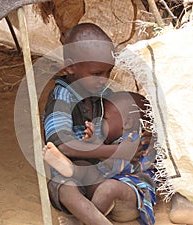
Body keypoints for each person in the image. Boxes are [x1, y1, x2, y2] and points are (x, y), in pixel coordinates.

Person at [42, 22, 155, 225]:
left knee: (106, 185)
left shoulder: (104, 94)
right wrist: (114, 151)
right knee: (65, 185)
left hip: (103, 175)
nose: (104, 80)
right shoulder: (62, 97)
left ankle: (84, 220)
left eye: (108, 72)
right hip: (79, 174)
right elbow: (61, 145)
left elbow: (123, 126)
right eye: (96, 73)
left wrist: (102, 141)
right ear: (69, 67)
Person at [43, 91, 157, 224]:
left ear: (127, 123)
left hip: (132, 195)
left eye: (105, 119)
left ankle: (82, 221)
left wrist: (96, 146)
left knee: (108, 188)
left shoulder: (136, 140)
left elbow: (117, 166)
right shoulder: (117, 141)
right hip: (113, 183)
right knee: (89, 169)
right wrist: (95, 142)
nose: (100, 124)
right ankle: (71, 169)